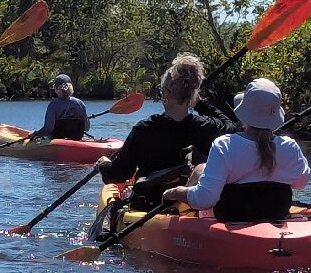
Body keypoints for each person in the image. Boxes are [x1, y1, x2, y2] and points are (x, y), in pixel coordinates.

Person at [162, 78, 310, 222]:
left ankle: (175, 212)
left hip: (232, 217)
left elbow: (204, 200)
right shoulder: (290, 147)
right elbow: (301, 183)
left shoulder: (224, 146)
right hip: (276, 214)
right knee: (202, 169)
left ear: (244, 114)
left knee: (201, 170)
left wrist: (177, 192)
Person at [95, 53, 235, 204]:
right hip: (189, 206)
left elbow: (118, 175)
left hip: (150, 204)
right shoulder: (206, 127)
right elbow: (230, 126)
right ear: (192, 95)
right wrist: (200, 104)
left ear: (166, 94)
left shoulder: (144, 130)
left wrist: (103, 164)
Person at [29, 74, 90, 141]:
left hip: (59, 139)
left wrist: (35, 133)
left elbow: (48, 129)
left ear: (56, 89)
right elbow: (86, 127)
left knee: (45, 136)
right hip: (77, 138)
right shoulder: (80, 103)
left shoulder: (53, 105)